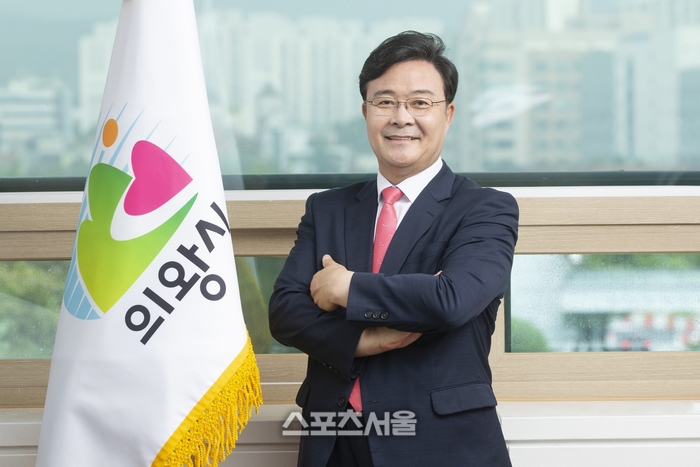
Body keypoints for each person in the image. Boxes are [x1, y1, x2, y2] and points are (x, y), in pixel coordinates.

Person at [269, 30, 518, 467]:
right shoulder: (327, 208)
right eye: (385, 101)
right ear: (366, 112)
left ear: (448, 114)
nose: (402, 117)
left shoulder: (485, 209)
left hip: (440, 445)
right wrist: (365, 340)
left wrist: (345, 287)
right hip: (334, 441)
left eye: (420, 103)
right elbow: (286, 312)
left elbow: (450, 301)